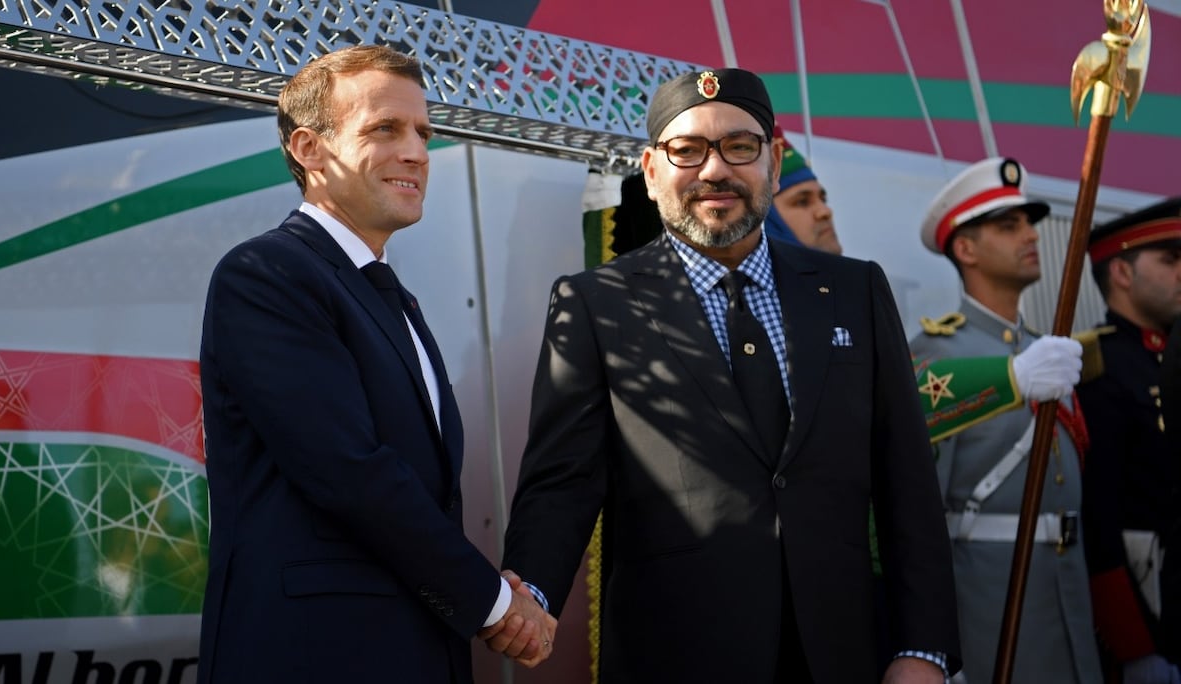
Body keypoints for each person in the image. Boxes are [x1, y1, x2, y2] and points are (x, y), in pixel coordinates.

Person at [503, 67, 961, 683]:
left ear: (772, 160)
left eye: (739, 147)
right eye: (687, 150)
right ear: (651, 169)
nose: (714, 171)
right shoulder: (597, 303)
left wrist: (923, 648)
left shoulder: (853, 290)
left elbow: (907, 477)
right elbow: (563, 479)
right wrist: (528, 593)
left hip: (843, 650)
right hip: (675, 654)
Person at [196, 45, 553, 683]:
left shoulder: (389, 296)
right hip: (314, 657)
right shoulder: (266, 274)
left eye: (422, 132)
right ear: (309, 149)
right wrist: (499, 604)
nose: (416, 152)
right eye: (384, 128)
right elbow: (348, 471)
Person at [909, 157, 1102, 684]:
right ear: (965, 249)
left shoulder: (1049, 349)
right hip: (987, 598)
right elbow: (917, 514)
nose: (1029, 235)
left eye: (1028, 223)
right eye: (1007, 225)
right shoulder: (935, 355)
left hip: (1067, 586)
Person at [1078, 197, 1181, 684]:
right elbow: (1097, 521)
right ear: (1121, 272)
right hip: (1155, 620)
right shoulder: (1099, 367)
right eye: (1170, 259)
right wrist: (1133, 644)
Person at [762, 132, 842, 254]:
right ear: (768, 220)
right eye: (802, 202)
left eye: (823, 199)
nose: (825, 211)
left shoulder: (862, 272)